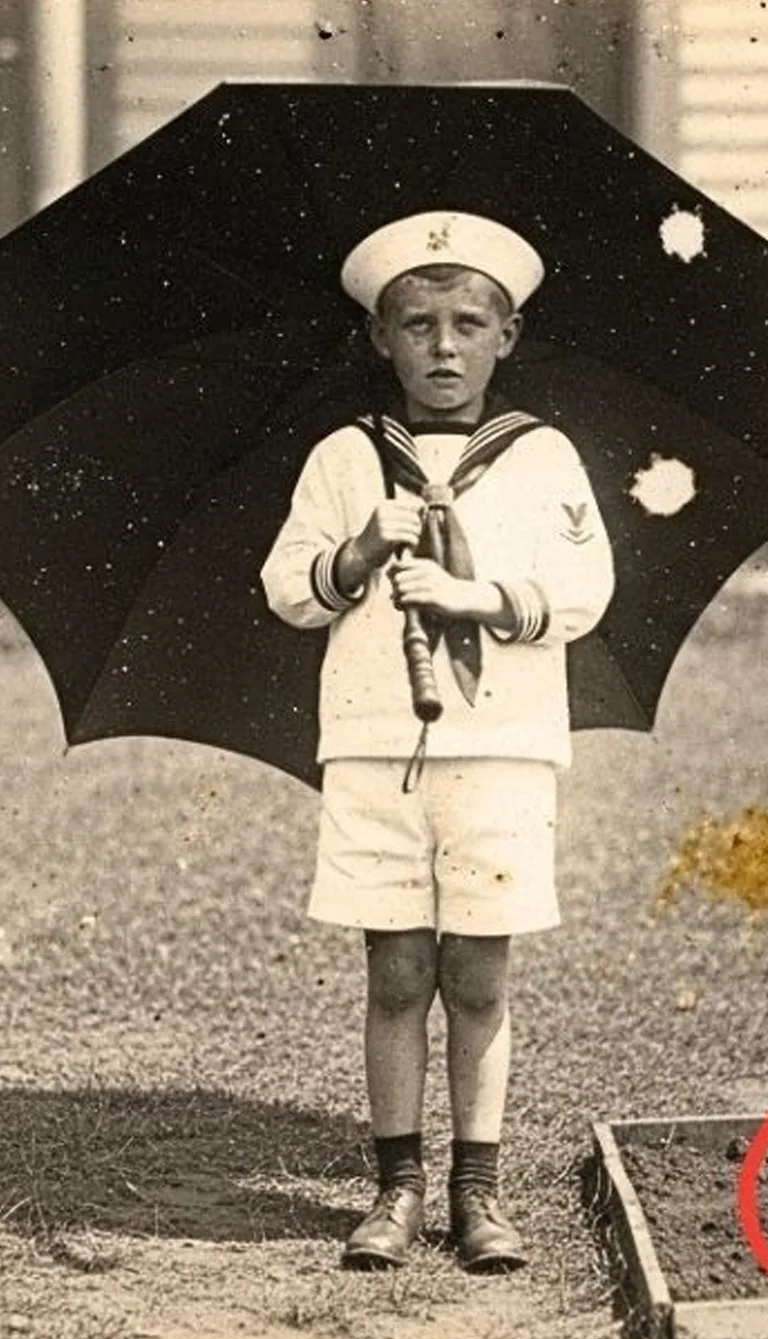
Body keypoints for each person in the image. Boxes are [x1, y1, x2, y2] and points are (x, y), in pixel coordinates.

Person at [261, 211, 615, 1272]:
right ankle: (397, 1187)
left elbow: (586, 590)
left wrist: (477, 595)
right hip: (376, 748)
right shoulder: (347, 458)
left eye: (470, 323)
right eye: (417, 325)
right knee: (396, 969)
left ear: (508, 336)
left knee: (478, 975)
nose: (445, 347)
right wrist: (361, 552)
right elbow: (287, 588)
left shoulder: (543, 457)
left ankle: (479, 1191)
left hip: (503, 746)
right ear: (380, 338)